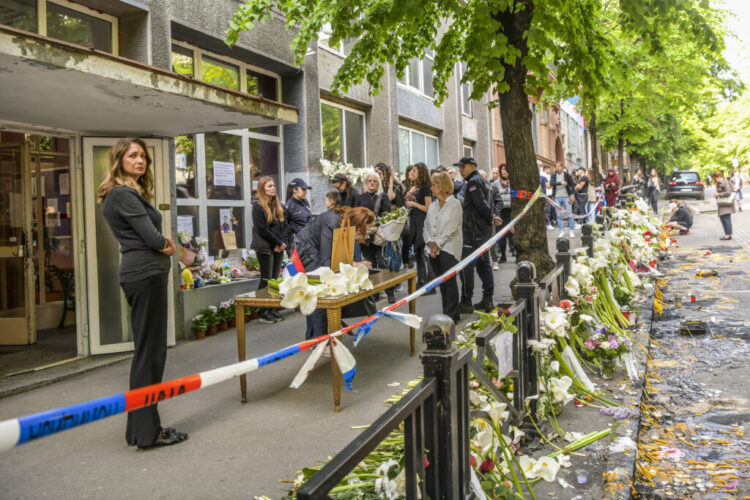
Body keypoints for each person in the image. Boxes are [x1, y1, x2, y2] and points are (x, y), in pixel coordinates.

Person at [98, 138, 187, 450]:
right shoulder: (123, 194)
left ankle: (141, 430)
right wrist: (170, 246)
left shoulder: (124, 194)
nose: (140, 161)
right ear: (119, 160)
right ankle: (149, 433)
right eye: (132, 156)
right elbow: (152, 238)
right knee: (150, 354)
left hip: (144, 275)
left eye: (143, 157)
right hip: (145, 275)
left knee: (148, 353)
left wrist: (163, 244)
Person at [296, 202, 375, 338]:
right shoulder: (333, 222)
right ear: (359, 224)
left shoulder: (347, 219)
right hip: (306, 250)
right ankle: (320, 340)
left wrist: (354, 264)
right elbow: (327, 263)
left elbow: (339, 255)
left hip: (313, 249)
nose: (365, 233)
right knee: (320, 291)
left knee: (315, 292)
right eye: (364, 229)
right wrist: (350, 266)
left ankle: (311, 338)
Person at [455, 157, 498, 313]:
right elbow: (490, 204)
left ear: (472, 166)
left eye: (463, 166)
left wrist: (491, 217)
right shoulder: (485, 181)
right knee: (483, 264)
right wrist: (492, 217)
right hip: (482, 230)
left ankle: (466, 301)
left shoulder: (473, 182)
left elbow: (481, 204)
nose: (460, 169)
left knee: (467, 266)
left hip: (473, 231)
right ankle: (488, 298)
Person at [423, 171, 462, 323]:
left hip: (449, 249)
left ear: (441, 186)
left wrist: (437, 245)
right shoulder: (433, 205)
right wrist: (429, 243)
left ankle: (452, 315)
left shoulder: (455, 204)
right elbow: (425, 227)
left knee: (450, 283)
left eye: (433, 184)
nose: (431, 188)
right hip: (433, 249)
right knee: (442, 284)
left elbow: (451, 228)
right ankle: (446, 312)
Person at [251, 177, 289, 324]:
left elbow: (285, 225)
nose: (272, 188)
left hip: (277, 246)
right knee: (266, 279)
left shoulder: (277, 205)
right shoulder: (258, 206)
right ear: (262, 189)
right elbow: (262, 230)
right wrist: (278, 242)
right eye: (269, 186)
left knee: (275, 280)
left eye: (273, 186)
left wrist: (282, 243)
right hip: (264, 247)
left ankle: (272, 308)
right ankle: (263, 311)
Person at [356, 172, 395, 302]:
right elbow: (356, 215)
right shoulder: (360, 198)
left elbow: (387, 215)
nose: (372, 183)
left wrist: (375, 222)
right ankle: (374, 293)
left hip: (379, 236)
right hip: (365, 237)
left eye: (375, 181)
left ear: (378, 183)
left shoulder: (383, 197)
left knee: (382, 262)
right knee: (369, 264)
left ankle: (390, 292)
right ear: (366, 183)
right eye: (369, 181)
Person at [403, 162, 432, 288]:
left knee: (423, 252)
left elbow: (428, 207)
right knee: (418, 252)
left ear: (421, 172)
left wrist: (413, 204)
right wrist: (412, 197)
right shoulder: (416, 186)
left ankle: (428, 283)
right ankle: (421, 280)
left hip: (423, 222)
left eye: (414, 171)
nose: (412, 173)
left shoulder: (426, 186)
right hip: (415, 220)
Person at [548, 162, 576, 238]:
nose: (557, 168)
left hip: (567, 196)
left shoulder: (567, 175)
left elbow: (572, 185)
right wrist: (560, 183)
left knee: (569, 213)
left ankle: (571, 230)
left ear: (562, 167)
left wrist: (572, 194)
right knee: (558, 214)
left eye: (559, 166)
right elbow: (551, 183)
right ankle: (561, 230)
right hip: (557, 197)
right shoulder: (553, 175)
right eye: (556, 166)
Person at [284, 177, 312, 249]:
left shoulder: (305, 202)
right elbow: (285, 227)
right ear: (294, 190)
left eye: (305, 190)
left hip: (308, 241)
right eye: (303, 189)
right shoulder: (289, 206)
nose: (305, 192)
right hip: (296, 243)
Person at [495, 165, 513, 263]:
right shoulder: (496, 184)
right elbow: (494, 198)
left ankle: (518, 254)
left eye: (506, 170)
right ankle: (503, 256)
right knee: (501, 235)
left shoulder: (513, 183)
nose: (504, 172)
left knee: (512, 234)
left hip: (511, 211)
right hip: (501, 212)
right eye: (502, 170)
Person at [713, 171, 735, 240]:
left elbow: (728, 192)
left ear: (719, 176)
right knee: (723, 219)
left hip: (726, 204)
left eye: (715, 178)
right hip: (722, 203)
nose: (715, 180)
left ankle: (728, 235)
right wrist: (717, 195)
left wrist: (719, 194)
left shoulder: (725, 182)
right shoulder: (719, 182)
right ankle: (727, 234)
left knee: (726, 219)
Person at [543, 165, 556, 229]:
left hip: (550, 195)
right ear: (545, 169)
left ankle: (550, 222)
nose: (550, 171)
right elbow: (548, 186)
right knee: (547, 210)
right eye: (549, 169)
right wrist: (553, 185)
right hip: (546, 195)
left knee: (551, 209)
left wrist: (552, 185)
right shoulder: (543, 176)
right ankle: (547, 224)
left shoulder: (548, 176)